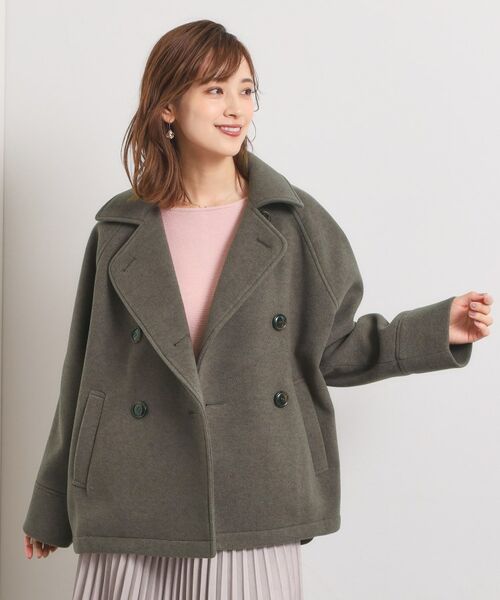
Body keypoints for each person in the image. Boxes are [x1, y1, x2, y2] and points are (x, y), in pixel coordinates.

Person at [22, 19, 493, 600]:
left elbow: (332, 348)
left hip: (253, 493)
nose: (235, 108)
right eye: (214, 89)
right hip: (132, 499)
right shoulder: (119, 229)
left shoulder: (292, 222)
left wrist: (436, 329)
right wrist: (50, 504)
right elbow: (84, 373)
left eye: (246, 90)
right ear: (167, 107)